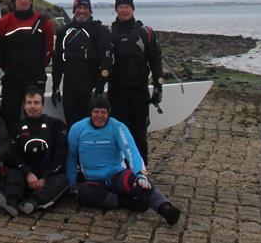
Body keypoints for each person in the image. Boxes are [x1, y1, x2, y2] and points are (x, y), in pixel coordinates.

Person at [66, 95, 181, 225]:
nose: (99, 115)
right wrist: (71, 183)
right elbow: (71, 157)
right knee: (84, 193)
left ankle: (165, 208)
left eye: (103, 112)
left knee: (141, 183)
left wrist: (140, 174)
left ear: (109, 113)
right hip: (94, 180)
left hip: (117, 176)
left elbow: (132, 152)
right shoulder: (77, 129)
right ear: (90, 113)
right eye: (96, 111)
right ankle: (129, 203)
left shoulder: (118, 127)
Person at [0, 87, 69, 217]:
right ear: (24, 105)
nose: (32, 106)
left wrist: (45, 177)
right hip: (26, 173)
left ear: (43, 105)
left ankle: (33, 202)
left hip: (47, 174)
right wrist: (27, 173)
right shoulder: (16, 127)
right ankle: (11, 201)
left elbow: (60, 155)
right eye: (29, 103)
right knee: (13, 174)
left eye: (36, 103)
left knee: (63, 181)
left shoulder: (56, 125)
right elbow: (13, 155)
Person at [108, 0, 163, 163]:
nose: (124, 10)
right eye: (120, 7)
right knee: (119, 133)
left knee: (139, 134)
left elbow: (155, 59)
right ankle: (121, 171)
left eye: (127, 7)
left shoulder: (145, 32)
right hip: (116, 92)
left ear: (133, 9)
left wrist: (158, 86)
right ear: (116, 10)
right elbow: (101, 63)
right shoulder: (108, 33)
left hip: (139, 92)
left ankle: (142, 171)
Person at [0, 0, 55, 134]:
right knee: (10, 113)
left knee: (34, 113)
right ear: (14, 0)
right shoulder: (3, 23)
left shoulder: (43, 22)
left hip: (35, 76)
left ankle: (35, 144)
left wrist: (38, 67)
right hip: (12, 77)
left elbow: (49, 49)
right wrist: (9, 68)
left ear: (31, 1)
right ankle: (10, 147)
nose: (23, 1)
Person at [51, 0, 112, 126]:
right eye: (79, 8)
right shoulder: (63, 31)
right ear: (73, 10)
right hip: (69, 89)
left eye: (85, 7)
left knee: (90, 127)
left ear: (90, 10)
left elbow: (106, 61)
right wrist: (55, 86)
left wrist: (99, 88)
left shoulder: (100, 31)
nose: (82, 11)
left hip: (90, 90)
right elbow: (57, 62)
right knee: (72, 126)